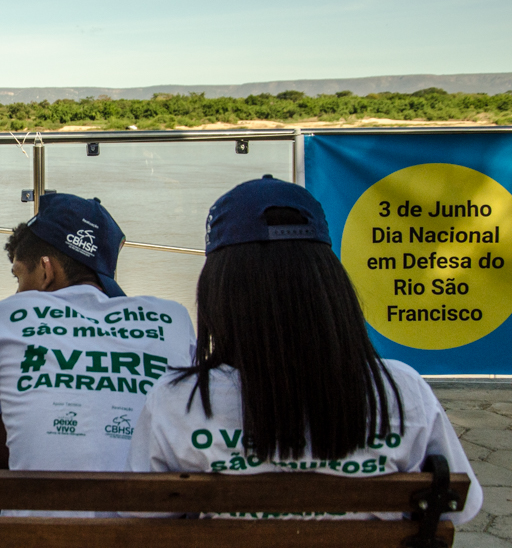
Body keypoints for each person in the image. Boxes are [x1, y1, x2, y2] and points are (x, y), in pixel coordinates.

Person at [126, 176, 483, 524]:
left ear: (219, 291)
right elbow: (459, 508)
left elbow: (143, 513)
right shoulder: (403, 390)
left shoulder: (177, 400)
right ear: (329, 285)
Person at [0, 194, 196, 508]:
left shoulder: (1, 316)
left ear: (46, 271)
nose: (17, 291)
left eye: (19, 276)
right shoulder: (175, 318)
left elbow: (1, 470)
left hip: (33, 533)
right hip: (145, 527)